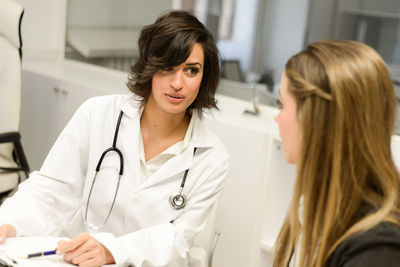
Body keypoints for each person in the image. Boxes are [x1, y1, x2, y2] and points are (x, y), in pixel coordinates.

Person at [0, 10, 228, 267]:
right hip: (78, 260)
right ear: (149, 66)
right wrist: (8, 220)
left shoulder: (211, 156)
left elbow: (180, 240)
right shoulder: (98, 114)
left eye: (191, 70)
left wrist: (112, 250)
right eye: (167, 67)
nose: (177, 83)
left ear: (204, 77)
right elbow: (52, 187)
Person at [273, 39, 400, 267]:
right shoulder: (313, 207)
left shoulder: (377, 249)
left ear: (315, 120)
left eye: (282, 105)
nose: (277, 118)